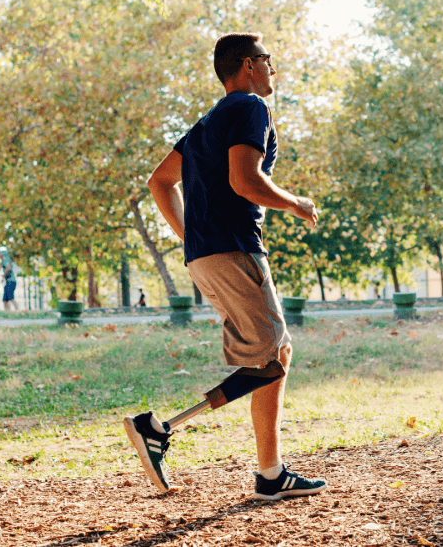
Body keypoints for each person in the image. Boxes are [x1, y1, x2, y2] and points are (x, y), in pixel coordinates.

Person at [125, 33, 326, 500]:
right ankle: (157, 429)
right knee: (274, 358)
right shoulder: (249, 108)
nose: (272, 69)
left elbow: (160, 183)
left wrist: (193, 236)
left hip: (206, 255)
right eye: (268, 60)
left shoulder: (207, 122)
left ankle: (270, 472)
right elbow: (245, 180)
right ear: (250, 65)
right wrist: (296, 204)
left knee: (272, 356)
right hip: (234, 249)